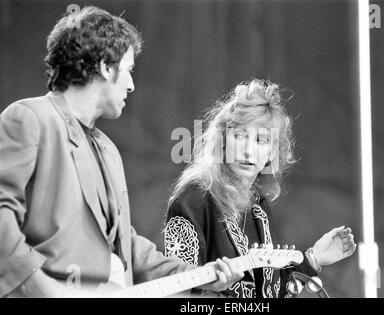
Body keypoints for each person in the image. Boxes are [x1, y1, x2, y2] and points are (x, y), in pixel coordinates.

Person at [0, 6, 243, 298]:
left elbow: (125, 245)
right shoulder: (29, 117)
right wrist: (44, 290)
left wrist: (200, 276)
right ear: (105, 66)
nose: (131, 85)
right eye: (128, 70)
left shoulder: (108, 150)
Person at [164, 79, 357, 298]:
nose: (248, 151)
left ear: (272, 153)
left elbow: (268, 293)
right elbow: (179, 292)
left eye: (261, 140)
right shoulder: (192, 201)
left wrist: (313, 259)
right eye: (240, 136)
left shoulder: (257, 206)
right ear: (223, 141)